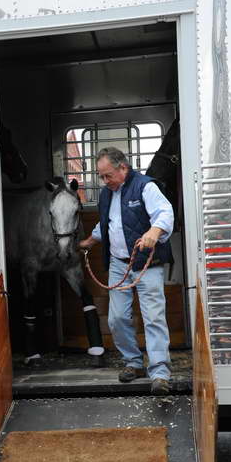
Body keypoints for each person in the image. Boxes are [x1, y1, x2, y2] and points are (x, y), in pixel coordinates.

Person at [79, 147, 174, 395]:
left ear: (123, 168)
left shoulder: (145, 186)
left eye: (108, 175)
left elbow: (165, 213)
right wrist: (90, 241)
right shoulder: (107, 193)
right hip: (119, 263)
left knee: (153, 317)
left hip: (146, 263)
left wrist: (155, 232)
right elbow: (108, 222)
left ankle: (160, 373)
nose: (104, 181)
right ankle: (133, 362)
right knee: (117, 318)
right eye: (101, 176)